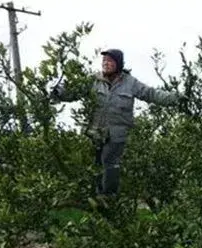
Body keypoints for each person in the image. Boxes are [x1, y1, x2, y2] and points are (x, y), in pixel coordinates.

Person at [50, 49, 186, 197]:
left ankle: (109, 196)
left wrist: (176, 98)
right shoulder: (94, 80)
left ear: (118, 64)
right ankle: (96, 196)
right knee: (95, 166)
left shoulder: (130, 83)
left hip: (117, 134)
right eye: (104, 61)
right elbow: (74, 91)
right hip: (96, 133)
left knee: (109, 161)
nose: (106, 64)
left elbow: (152, 94)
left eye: (109, 61)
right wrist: (58, 92)